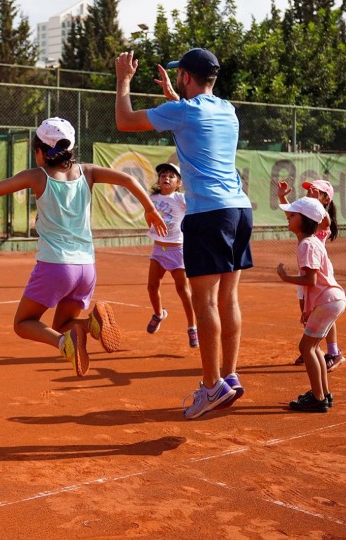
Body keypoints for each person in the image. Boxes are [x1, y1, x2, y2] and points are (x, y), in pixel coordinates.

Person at [0, 117, 166, 377]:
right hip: (86, 268)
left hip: (56, 266)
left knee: (23, 323)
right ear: (72, 149)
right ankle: (91, 324)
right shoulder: (87, 172)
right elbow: (128, 180)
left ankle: (63, 344)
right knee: (64, 324)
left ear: (40, 152)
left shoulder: (37, 176)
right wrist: (151, 209)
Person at [115, 47, 252, 419]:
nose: (176, 76)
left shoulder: (184, 112)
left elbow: (125, 121)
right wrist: (174, 101)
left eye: (179, 73)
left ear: (186, 77)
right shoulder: (227, 109)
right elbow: (195, 123)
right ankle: (229, 376)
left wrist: (123, 80)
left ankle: (210, 388)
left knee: (205, 301)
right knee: (229, 298)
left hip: (209, 214)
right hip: (240, 210)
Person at [275, 197, 346, 412]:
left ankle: (318, 398)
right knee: (312, 348)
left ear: (305, 220)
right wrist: (307, 310)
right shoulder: (310, 241)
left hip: (328, 300)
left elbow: (311, 280)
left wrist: (285, 277)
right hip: (330, 300)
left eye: (293, 215)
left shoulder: (307, 244)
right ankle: (323, 394)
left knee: (306, 348)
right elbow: (312, 285)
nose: (288, 216)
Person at [144, 163, 198, 348]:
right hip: (158, 249)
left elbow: (194, 207)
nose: (166, 178)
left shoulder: (181, 199)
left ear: (178, 183)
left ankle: (192, 327)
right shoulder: (152, 198)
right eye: (163, 175)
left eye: (171, 176)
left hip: (178, 250)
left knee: (183, 291)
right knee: (152, 287)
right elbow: (148, 215)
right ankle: (159, 314)